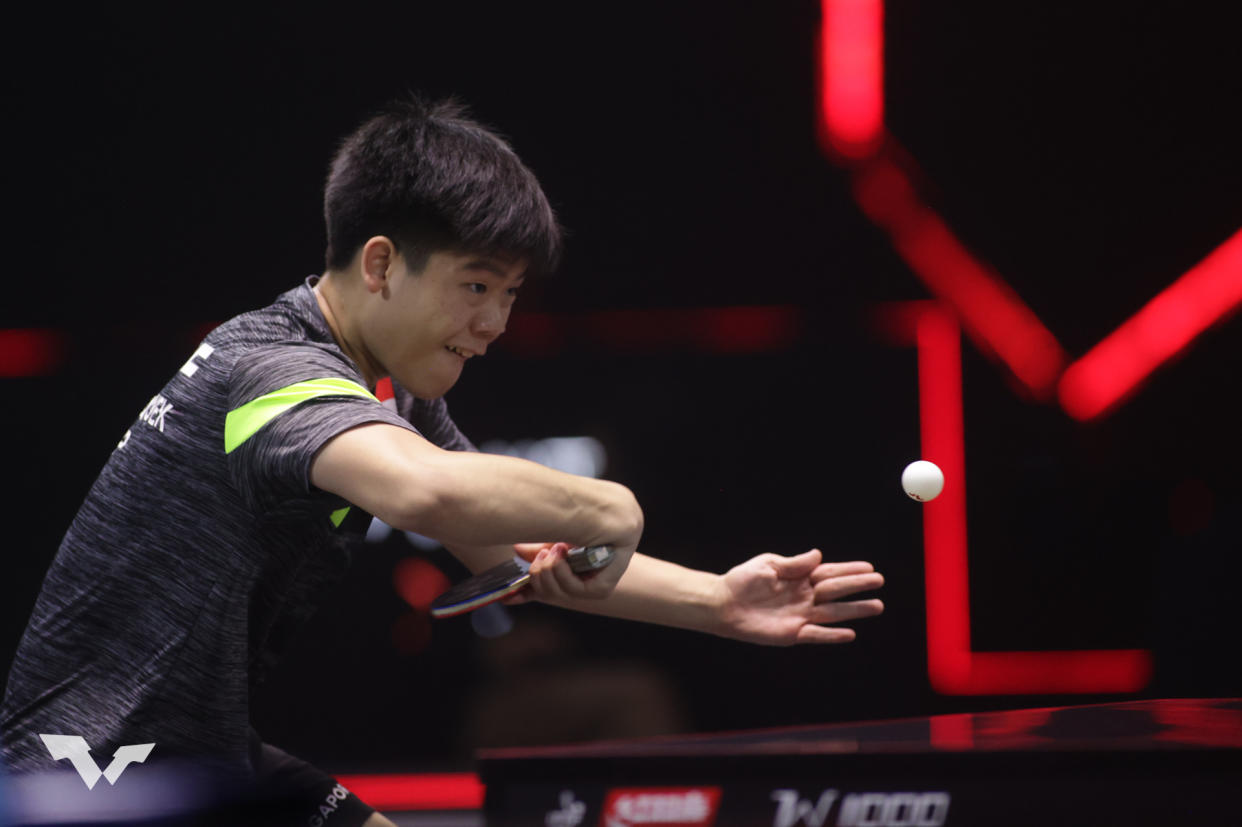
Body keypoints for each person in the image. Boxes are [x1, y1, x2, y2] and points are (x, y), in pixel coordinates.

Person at [0, 97, 885, 827]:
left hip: (207, 753)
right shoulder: (267, 372)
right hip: (91, 772)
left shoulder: (388, 392)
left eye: (509, 294)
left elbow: (508, 554)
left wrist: (719, 601)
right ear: (381, 263)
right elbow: (427, 490)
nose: (495, 322)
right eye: (475, 285)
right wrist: (610, 501)